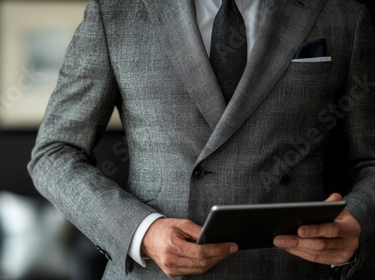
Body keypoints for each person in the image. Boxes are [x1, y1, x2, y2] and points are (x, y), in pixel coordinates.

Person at [28, 0, 375, 279]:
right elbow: (55, 153)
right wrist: (141, 231)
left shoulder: (340, 13)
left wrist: (357, 220)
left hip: (289, 267)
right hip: (156, 274)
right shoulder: (117, 11)